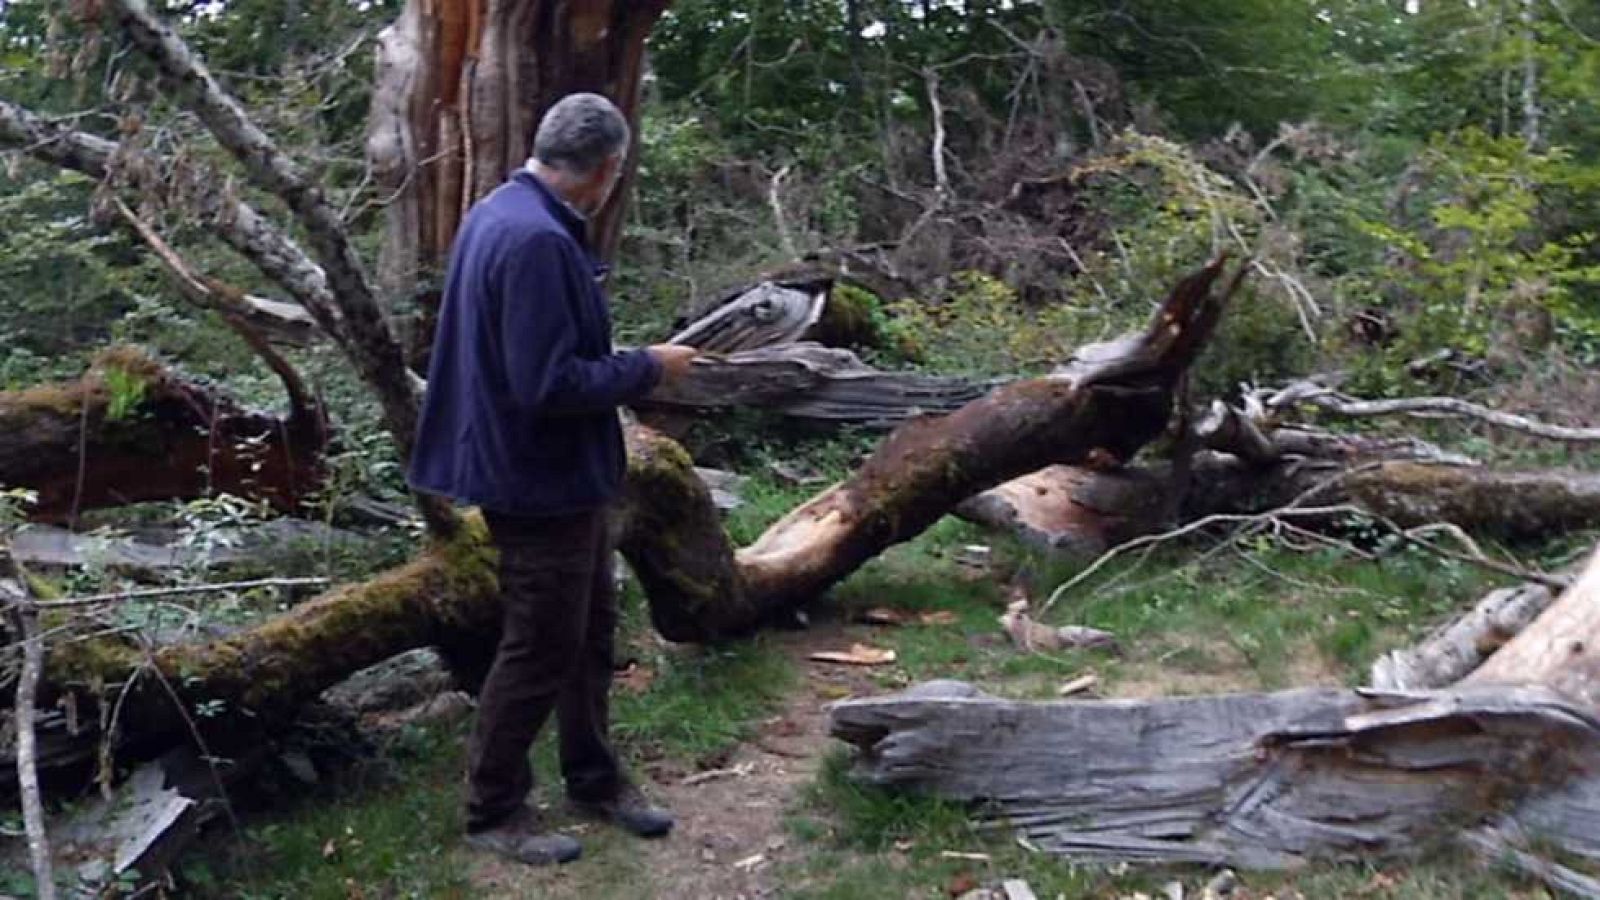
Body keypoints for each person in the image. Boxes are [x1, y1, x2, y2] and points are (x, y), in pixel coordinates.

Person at [408, 92, 698, 866]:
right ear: (607, 169)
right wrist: (647, 368)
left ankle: (594, 777)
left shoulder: (504, 210)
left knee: (589, 629)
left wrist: (618, 360)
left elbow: (530, 357)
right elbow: (548, 384)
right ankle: (492, 809)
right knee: (541, 644)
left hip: (547, 471)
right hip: (535, 478)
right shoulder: (533, 238)